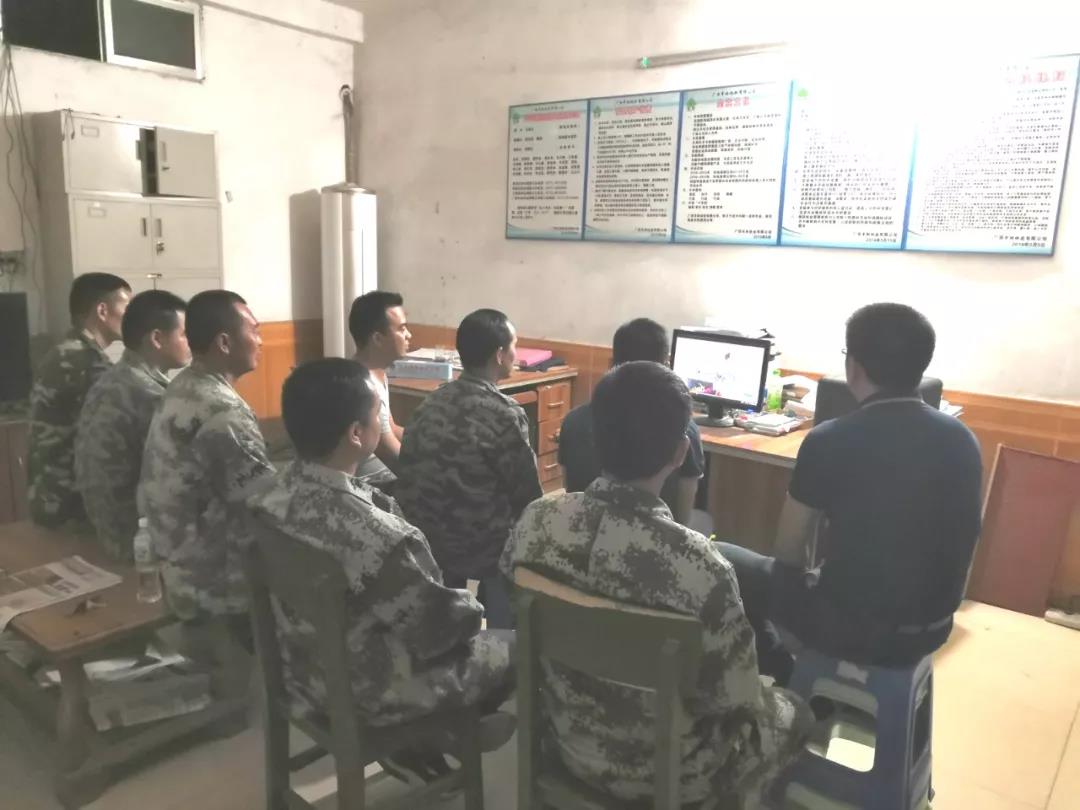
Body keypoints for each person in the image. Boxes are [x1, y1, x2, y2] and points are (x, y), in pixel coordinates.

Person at [501, 361, 811, 806]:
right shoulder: (701, 567)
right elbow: (735, 697)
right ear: (680, 452)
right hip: (676, 776)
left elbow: (513, 604)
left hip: (568, 744)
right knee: (793, 713)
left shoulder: (537, 523)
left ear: (596, 438)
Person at [250, 358, 515, 784]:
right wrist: (476, 610)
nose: (383, 422)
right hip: (368, 694)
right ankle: (438, 730)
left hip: (297, 671)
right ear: (357, 434)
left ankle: (431, 739)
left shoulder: (269, 499)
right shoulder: (380, 536)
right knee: (514, 644)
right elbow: (443, 629)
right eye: (379, 413)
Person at [718, 303, 983, 679]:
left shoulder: (830, 439)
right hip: (933, 628)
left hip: (852, 630)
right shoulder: (963, 439)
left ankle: (782, 674)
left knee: (722, 559)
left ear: (853, 366)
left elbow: (788, 551)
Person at [138, 290, 274, 636]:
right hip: (215, 588)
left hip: (176, 568)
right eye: (254, 331)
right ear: (224, 343)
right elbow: (266, 506)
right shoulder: (222, 409)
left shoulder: (183, 384)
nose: (261, 340)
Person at [396, 308, 542, 629]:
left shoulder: (430, 403)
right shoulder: (505, 413)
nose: (516, 354)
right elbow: (528, 498)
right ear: (500, 355)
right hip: (481, 547)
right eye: (514, 346)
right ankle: (503, 637)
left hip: (425, 541)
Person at [75, 290, 190, 562]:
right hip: (136, 541)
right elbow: (180, 482)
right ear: (157, 339)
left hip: (102, 529)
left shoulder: (112, 378)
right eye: (185, 334)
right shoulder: (150, 396)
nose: (191, 342)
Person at [559, 317, 705, 525]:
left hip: (579, 530)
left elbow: (570, 492)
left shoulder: (573, 421)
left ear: (612, 363)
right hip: (661, 538)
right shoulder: (684, 431)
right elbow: (682, 520)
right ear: (666, 366)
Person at [28, 273, 132, 527]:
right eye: (127, 307)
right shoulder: (85, 362)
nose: (132, 318)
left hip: (49, 493)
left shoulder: (66, 351)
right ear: (102, 311)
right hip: (72, 502)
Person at [347, 291, 412, 488]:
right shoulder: (363, 384)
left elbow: (390, 427)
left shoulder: (378, 372)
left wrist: (431, 441)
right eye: (402, 329)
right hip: (365, 484)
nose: (409, 335)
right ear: (377, 338)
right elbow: (392, 456)